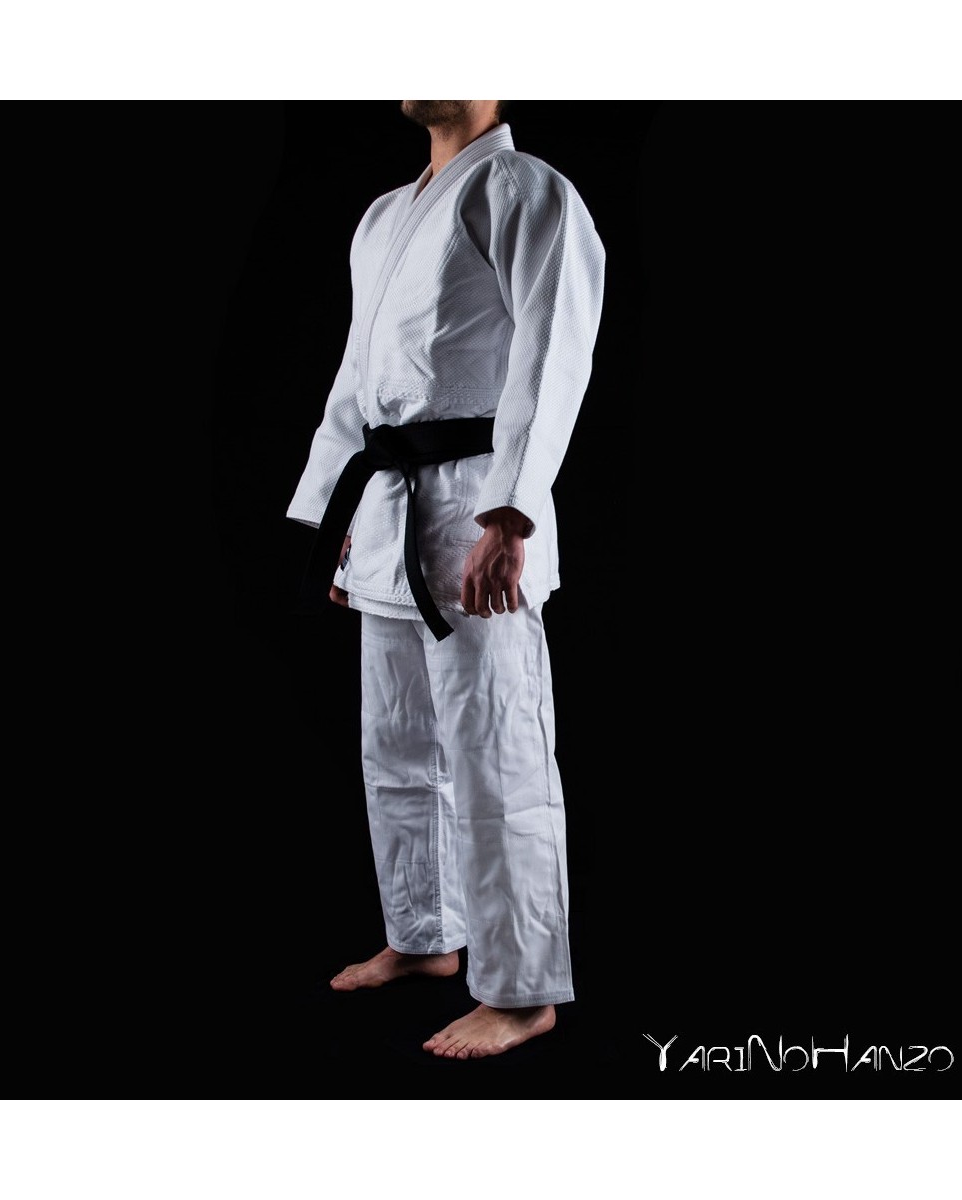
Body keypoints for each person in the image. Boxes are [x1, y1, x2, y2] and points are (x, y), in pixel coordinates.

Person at [287, 101, 605, 1059]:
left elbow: (553, 356)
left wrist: (512, 513)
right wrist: (337, 518)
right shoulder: (386, 214)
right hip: (390, 509)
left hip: (476, 507)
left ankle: (521, 990)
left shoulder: (525, 190)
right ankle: (424, 936)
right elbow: (357, 377)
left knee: (496, 754)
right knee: (394, 745)